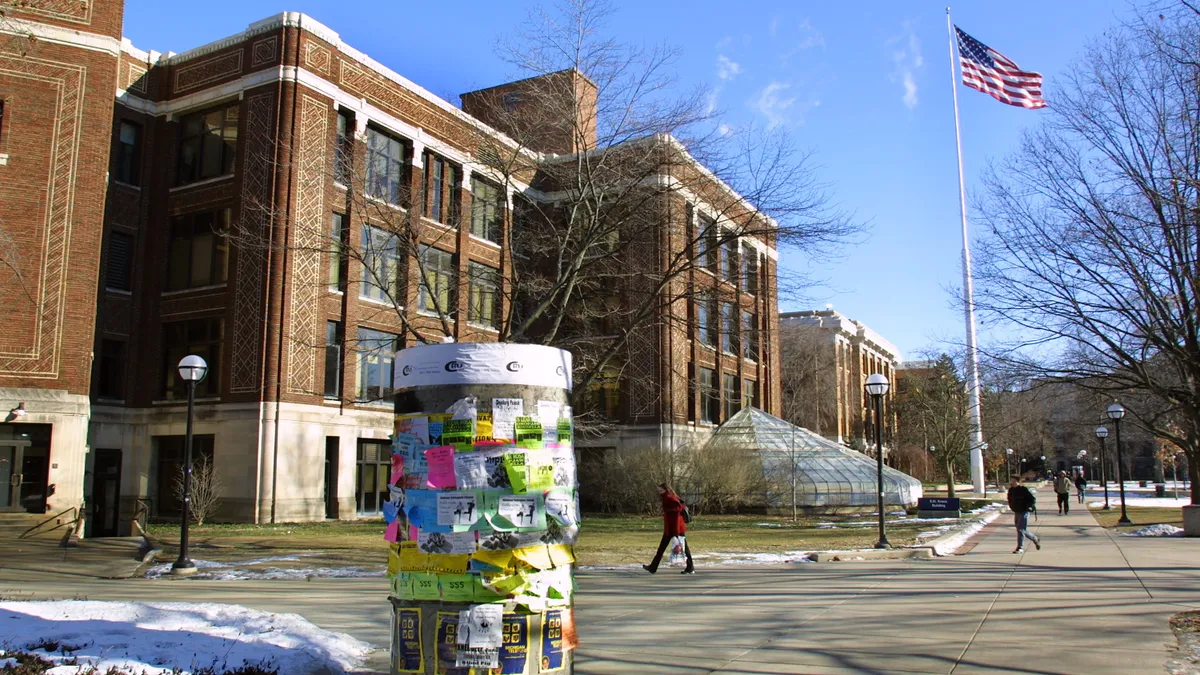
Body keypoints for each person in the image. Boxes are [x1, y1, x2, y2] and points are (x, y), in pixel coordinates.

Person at [643, 483, 695, 575]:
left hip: (674, 529)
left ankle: (653, 567)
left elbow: (676, 515)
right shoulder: (669, 497)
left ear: (665, 489)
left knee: (676, 548)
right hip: (673, 528)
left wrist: (675, 532)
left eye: (661, 490)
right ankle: (653, 567)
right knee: (680, 547)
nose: (659, 492)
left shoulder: (669, 498)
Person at [1007, 477, 1041, 554]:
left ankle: (1020, 547)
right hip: (1017, 511)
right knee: (1020, 529)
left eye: (1014, 481)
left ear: (1019, 482)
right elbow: (1009, 499)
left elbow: (1032, 499)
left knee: (1021, 529)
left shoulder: (1023, 490)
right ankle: (1035, 538)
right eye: (1011, 481)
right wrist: (1011, 506)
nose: (1012, 482)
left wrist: (1028, 506)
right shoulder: (1011, 490)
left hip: (1024, 511)